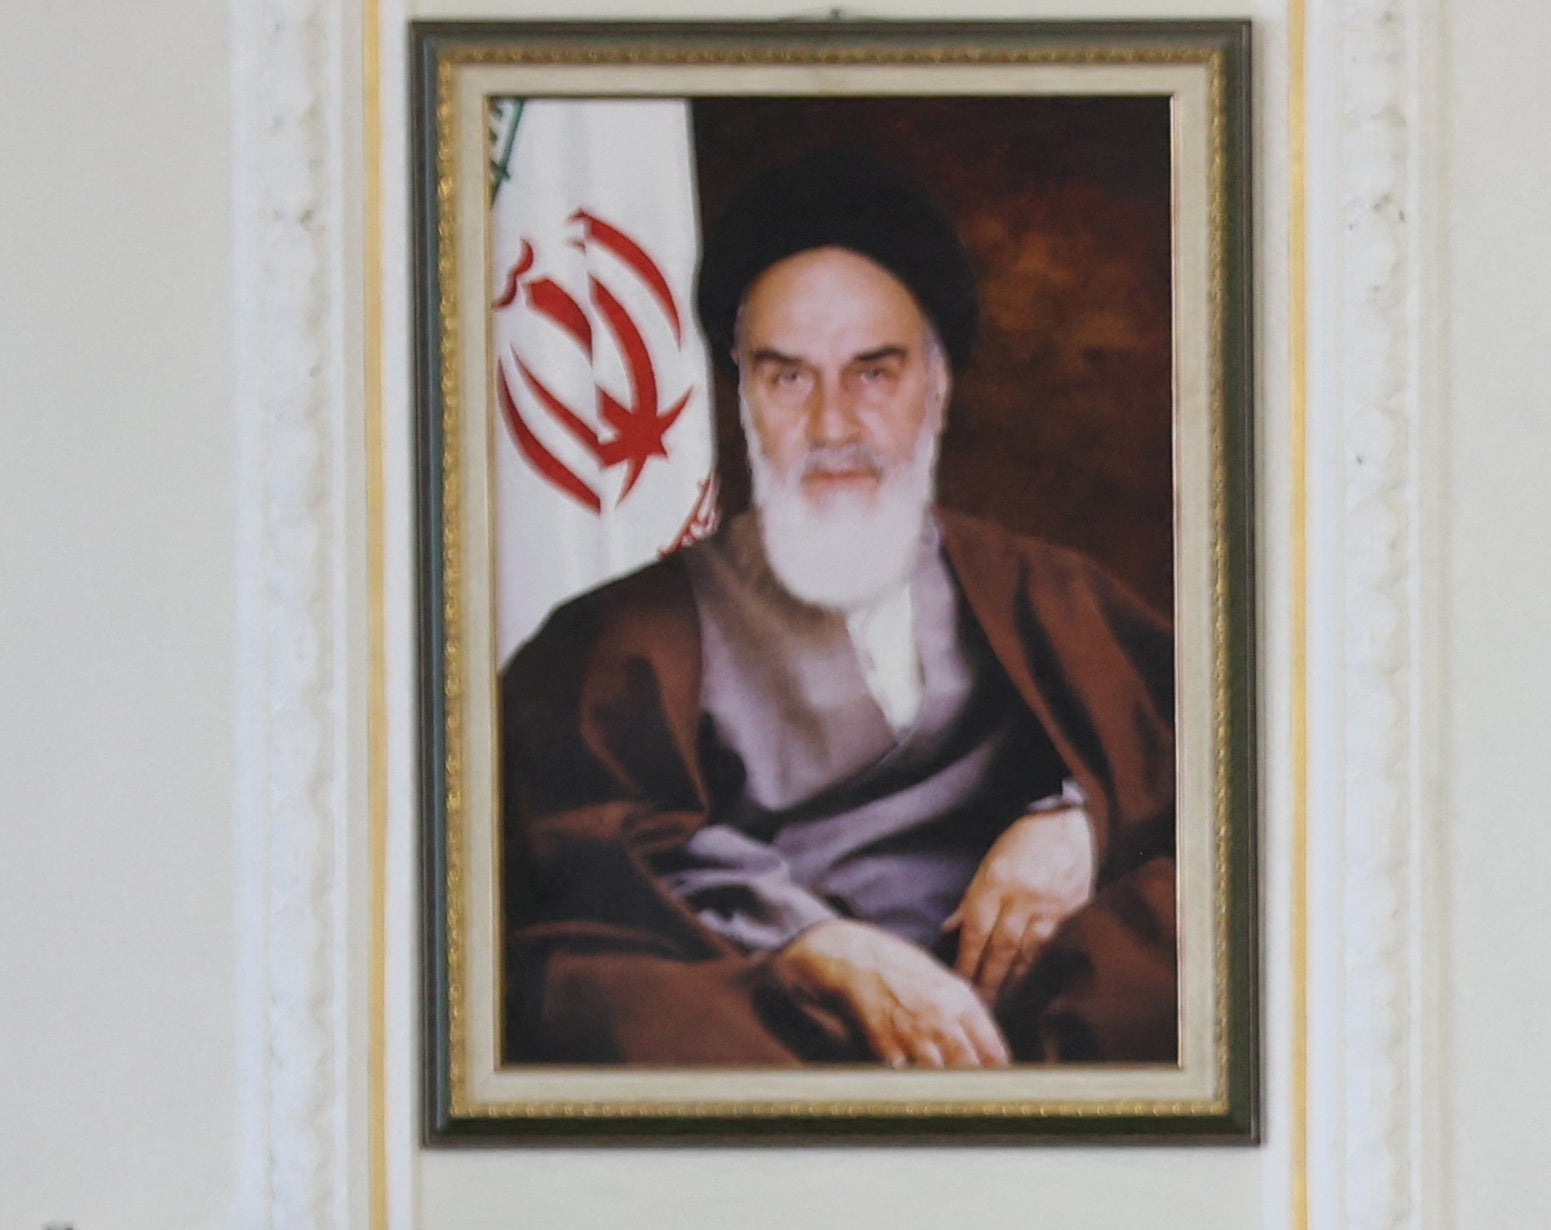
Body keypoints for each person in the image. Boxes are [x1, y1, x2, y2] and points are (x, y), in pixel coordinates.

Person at [496, 149, 1182, 1071]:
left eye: (873, 374)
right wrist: (815, 949)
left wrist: (1079, 822)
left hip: (1030, 1004)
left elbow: (1206, 754)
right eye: (787, 377)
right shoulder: (620, 634)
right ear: (742, 396)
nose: (830, 428)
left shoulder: (1042, 590)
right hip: (775, 1008)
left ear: (935, 388)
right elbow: (588, 844)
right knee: (608, 1000)